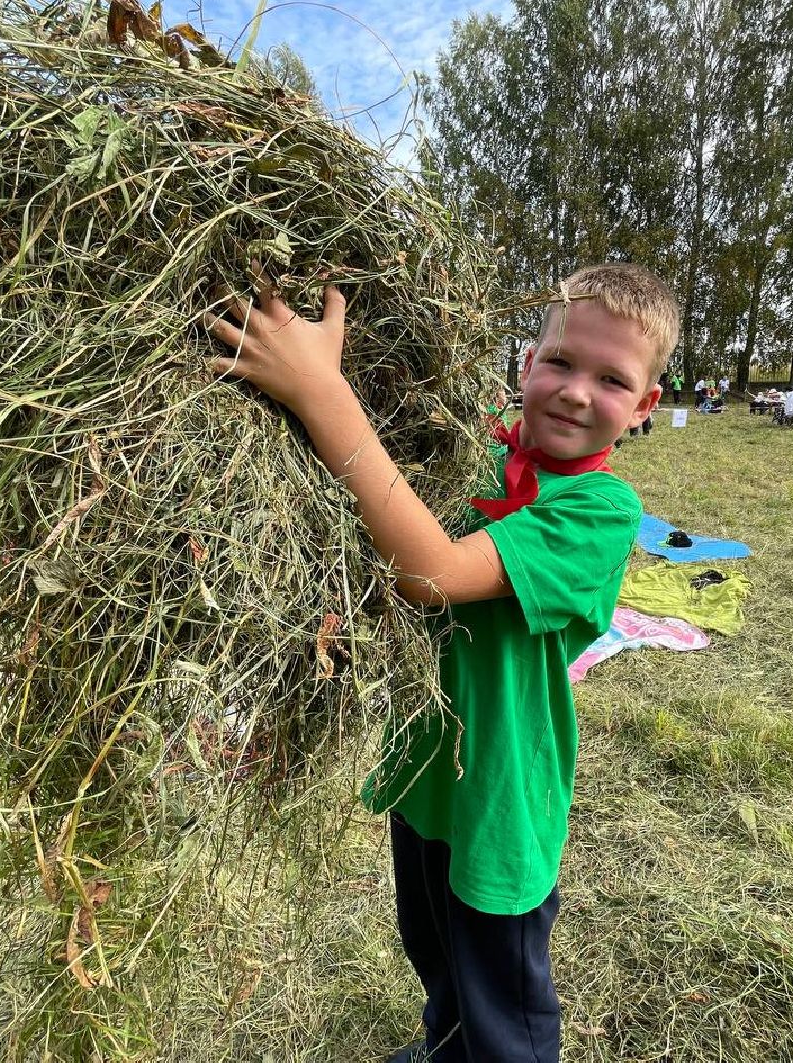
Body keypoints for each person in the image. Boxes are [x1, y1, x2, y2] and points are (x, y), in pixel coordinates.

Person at [207, 263, 678, 1063]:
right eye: (560, 362)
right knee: (438, 957)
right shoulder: (473, 448)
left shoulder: (598, 512)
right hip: (426, 774)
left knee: (507, 1007)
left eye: (610, 380)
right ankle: (445, 1045)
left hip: (501, 798)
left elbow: (428, 573)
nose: (572, 392)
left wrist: (319, 389)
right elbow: (384, 491)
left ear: (643, 408)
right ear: (525, 364)